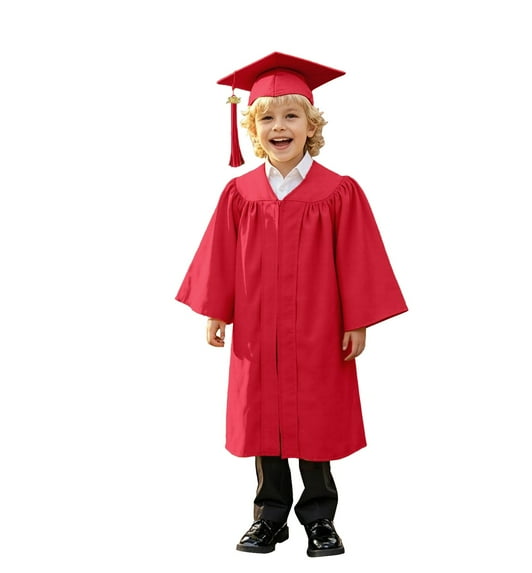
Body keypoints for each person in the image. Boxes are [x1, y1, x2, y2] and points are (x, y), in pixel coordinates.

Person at [175, 52, 408, 558]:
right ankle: (269, 517)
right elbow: (220, 256)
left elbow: (358, 258)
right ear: (253, 129)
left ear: (311, 125)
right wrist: (216, 310)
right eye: (267, 118)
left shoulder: (338, 192)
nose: (279, 127)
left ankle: (320, 518)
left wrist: (358, 320)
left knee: (316, 420)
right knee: (263, 420)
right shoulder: (240, 193)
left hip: (319, 329)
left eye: (291, 116)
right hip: (258, 331)